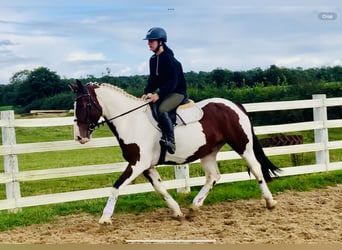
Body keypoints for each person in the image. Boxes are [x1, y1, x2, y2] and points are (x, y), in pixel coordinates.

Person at [141, 27, 188, 154]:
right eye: (148, 41)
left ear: (160, 42)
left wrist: (159, 94)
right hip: (165, 92)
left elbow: (173, 83)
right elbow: (152, 79)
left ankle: (171, 141)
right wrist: (147, 92)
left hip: (177, 92)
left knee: (162, 109)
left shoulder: (170, 60)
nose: (149, 43)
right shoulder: (153, 60)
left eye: (152, 41)